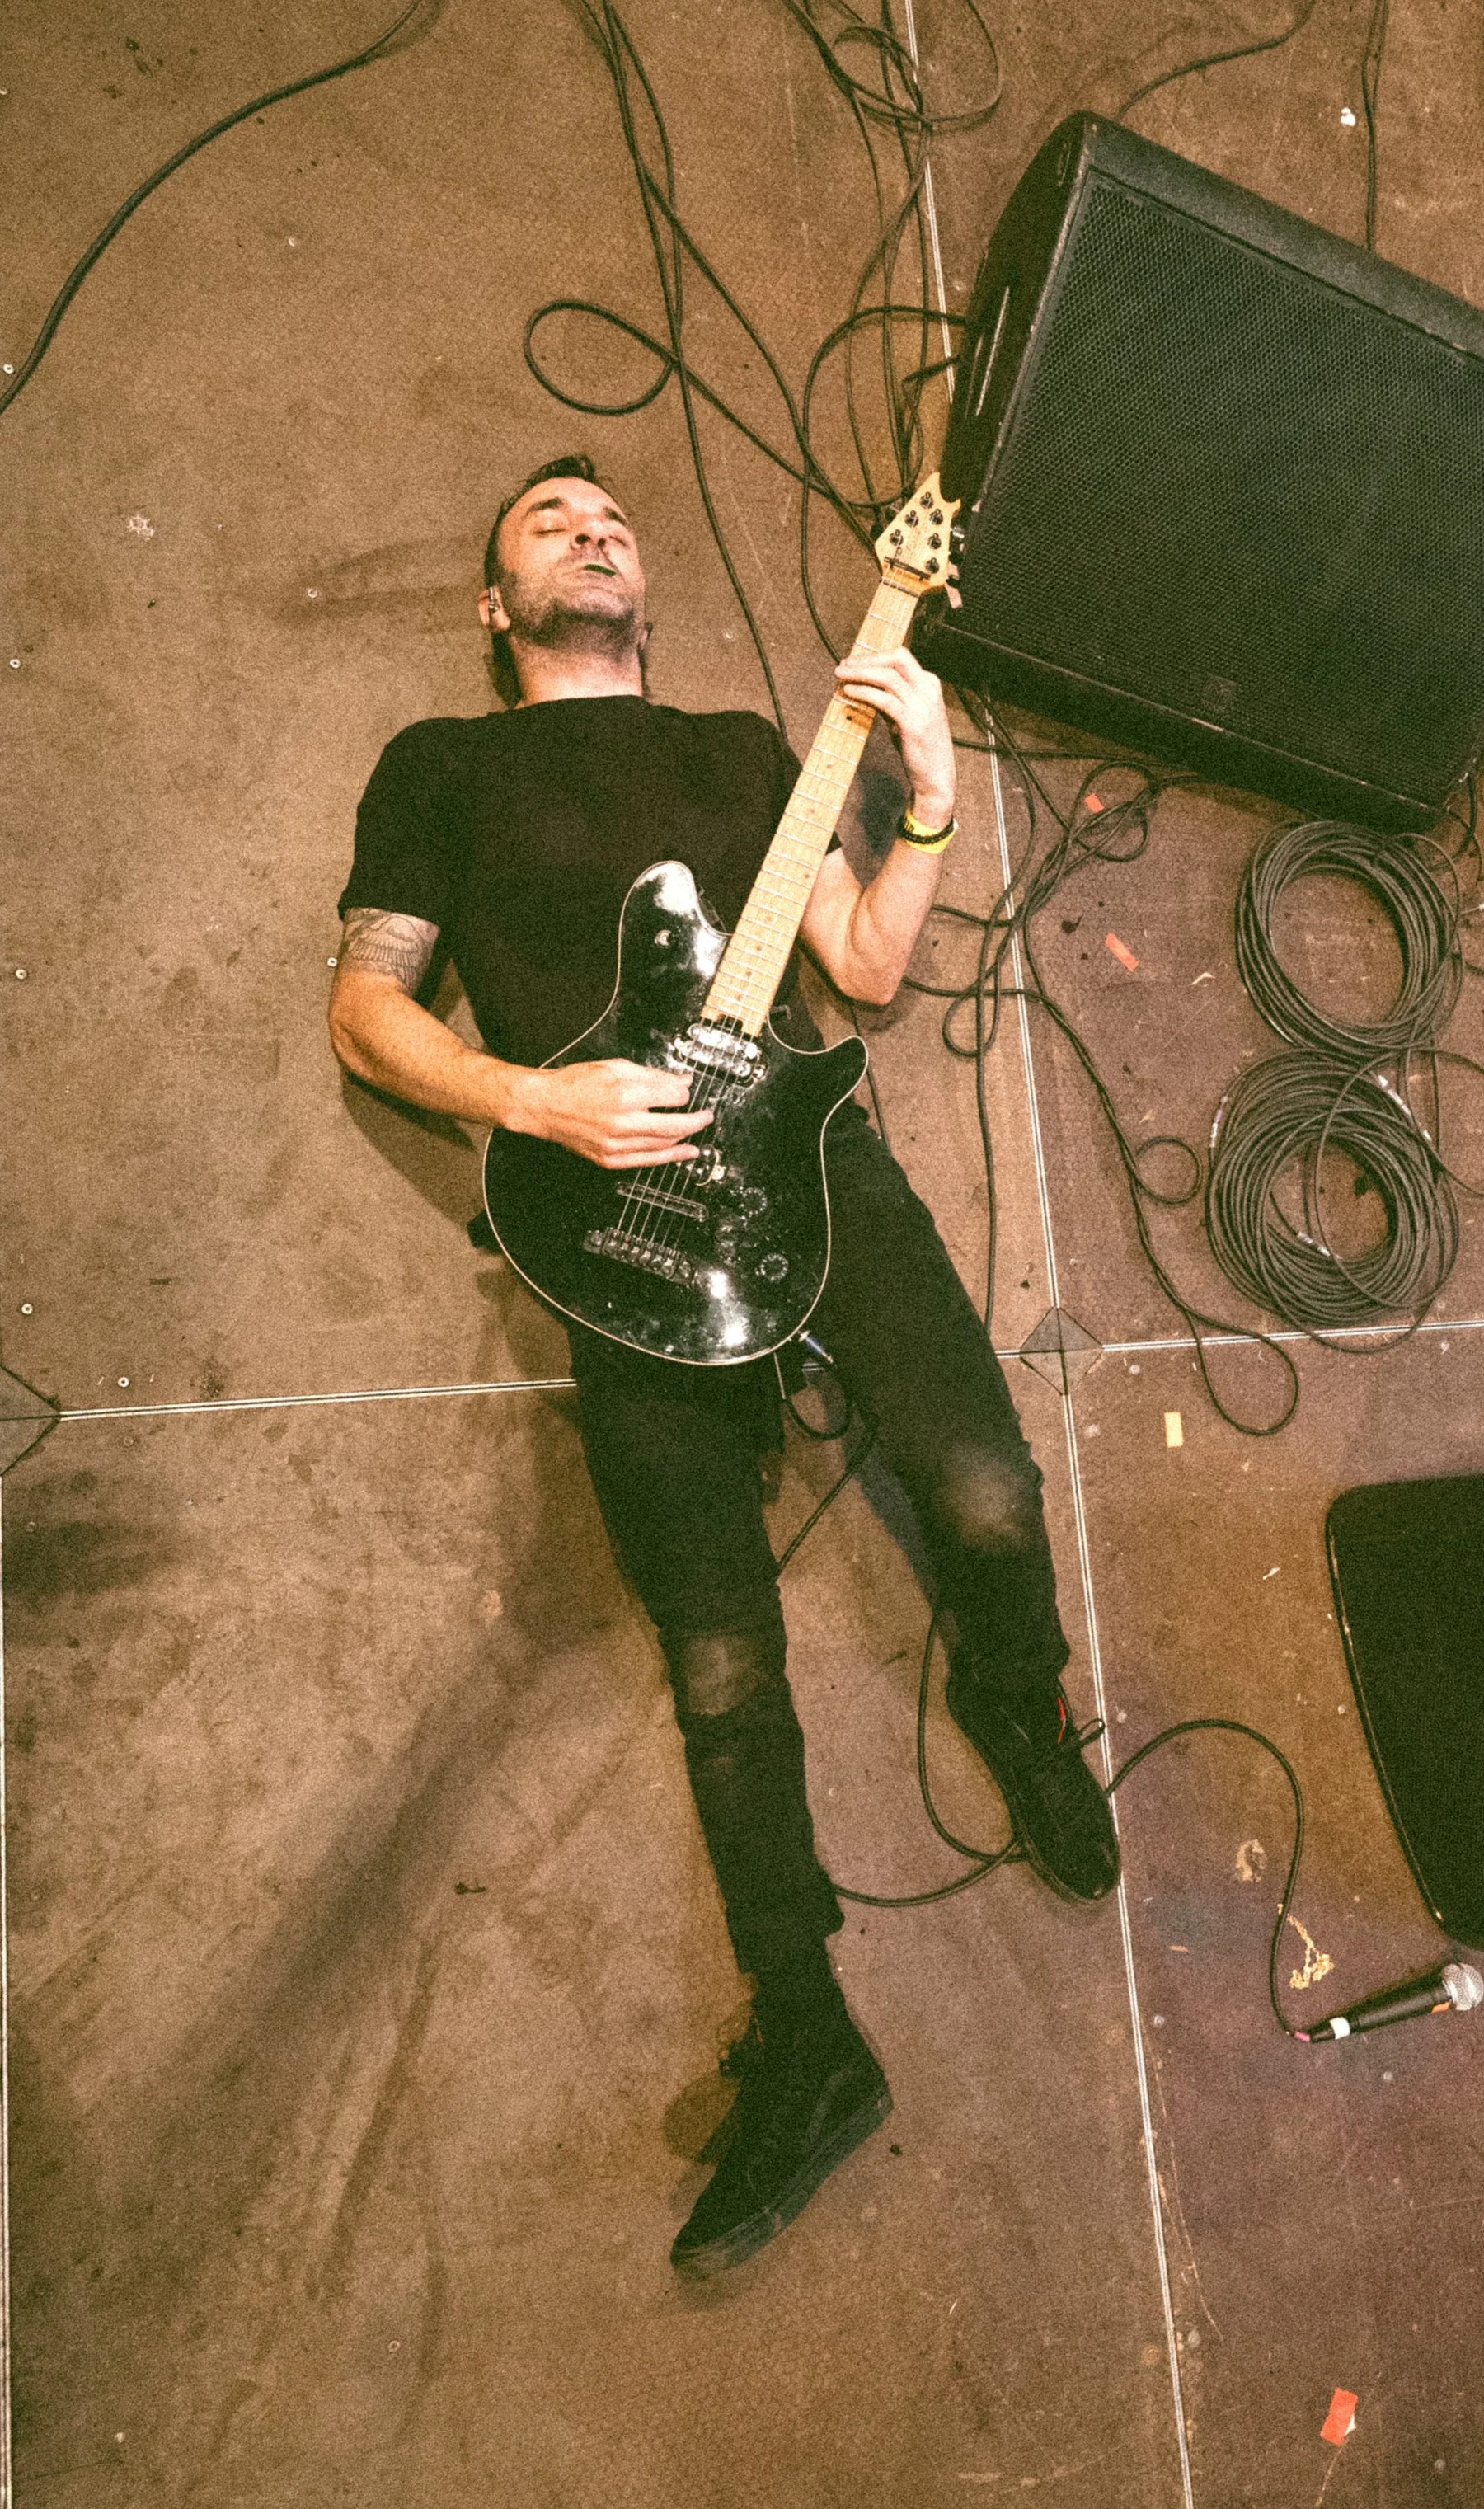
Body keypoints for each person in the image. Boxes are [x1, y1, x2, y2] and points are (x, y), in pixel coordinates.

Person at [326, 456, 1120, 2279]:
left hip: (813, 1163)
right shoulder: (443, 768)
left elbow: (862, 969)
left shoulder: (749, 749)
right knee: (717, 1652)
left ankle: (1018, 1698)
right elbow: (366, 1010)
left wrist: (930, 799)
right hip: (611, 1211)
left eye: (609, 514)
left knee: (990, 1495)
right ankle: (808, 2027)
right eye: (546, 519)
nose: (592, 526)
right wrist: (536, 1100)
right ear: (495, 606)